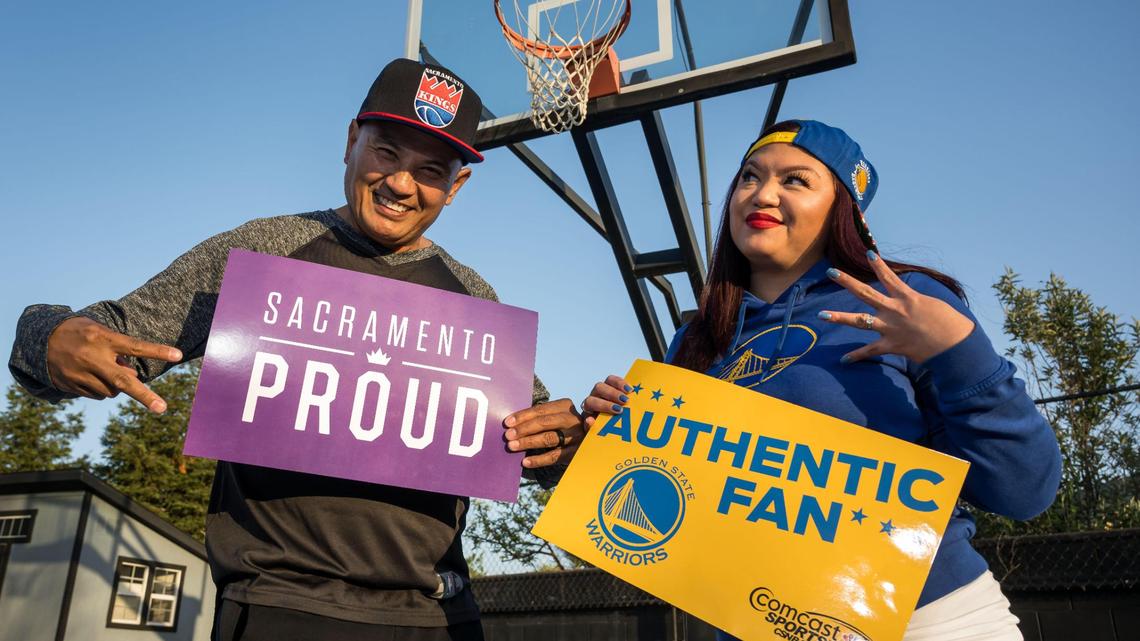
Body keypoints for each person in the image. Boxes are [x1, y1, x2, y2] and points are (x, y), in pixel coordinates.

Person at [9, 58, 584, 640]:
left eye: (429, 169)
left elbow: (532, 442)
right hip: (281, 608)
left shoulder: (474, 300)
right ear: (351, 141)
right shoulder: (263, 253)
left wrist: (567, 445)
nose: (401, 184)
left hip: (441, 617)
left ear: (455, 187)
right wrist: (48, 337)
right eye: (386, 153)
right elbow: (112, 335)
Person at [582, 120, 1061, 641]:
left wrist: (961, 355)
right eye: (749, 176)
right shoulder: (696, 340)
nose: (762, 194)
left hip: (926, 620)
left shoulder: (901, 299)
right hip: (757, 625)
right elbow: (677, 509)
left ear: (843, 209)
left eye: (795, 180)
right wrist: (611, 439)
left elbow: (1024, 491)